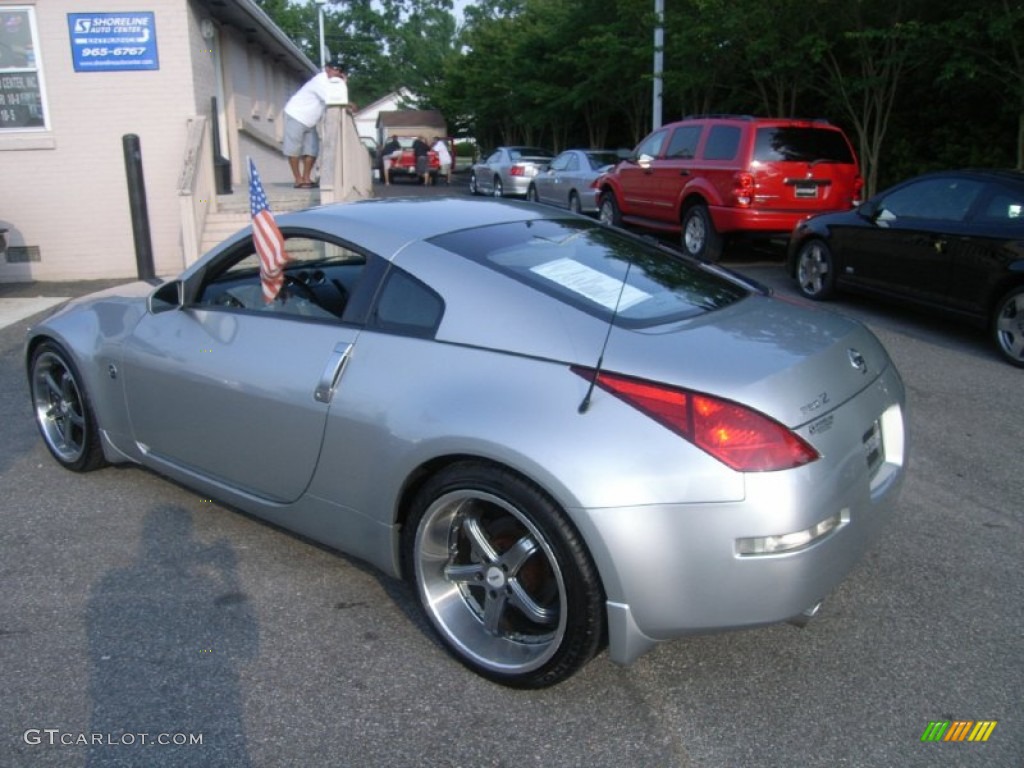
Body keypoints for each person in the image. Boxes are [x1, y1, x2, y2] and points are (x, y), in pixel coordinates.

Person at [282, 58, 346, 188]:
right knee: (294, 149)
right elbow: (331, 99)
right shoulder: (320, 81)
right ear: (327, 69)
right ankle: (298, 179)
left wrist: (344, 83)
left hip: (310, 121)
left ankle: (307, 178)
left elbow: (340, 96)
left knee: (312, 150)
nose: (337, 72)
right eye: (334, 69)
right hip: (296, 114)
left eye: (339, 70)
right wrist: (349, 104)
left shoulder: (334, 83)